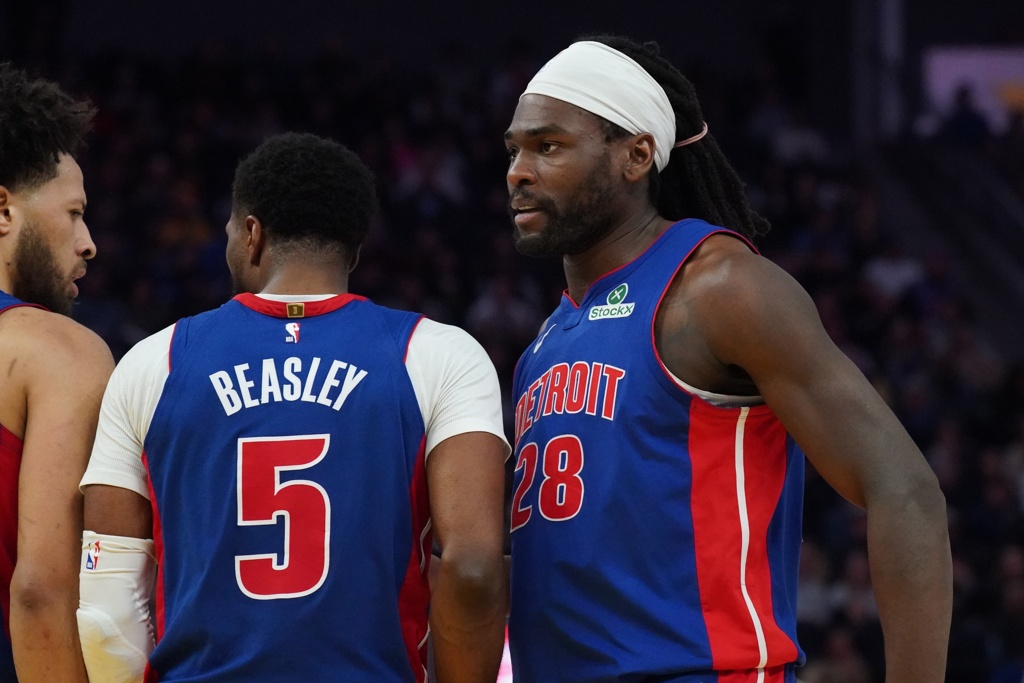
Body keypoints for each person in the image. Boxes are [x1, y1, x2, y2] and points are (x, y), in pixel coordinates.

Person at [503, 35, 952, 682]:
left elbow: (905, 491)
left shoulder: (719, 289)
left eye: (548, 146)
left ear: (636, 156)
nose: (518, 171)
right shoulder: (546, 341)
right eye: (514, 150)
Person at [77, 132, 509, 683]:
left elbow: (108, 610)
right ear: (355, 250)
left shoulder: (152, 361)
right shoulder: (441, 353)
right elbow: (472, 570)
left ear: (252, 234)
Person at [0, 62, 114, 682]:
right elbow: (41, 589)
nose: (88, 241)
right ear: (3, 210)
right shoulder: (59, 351)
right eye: (74, 213)